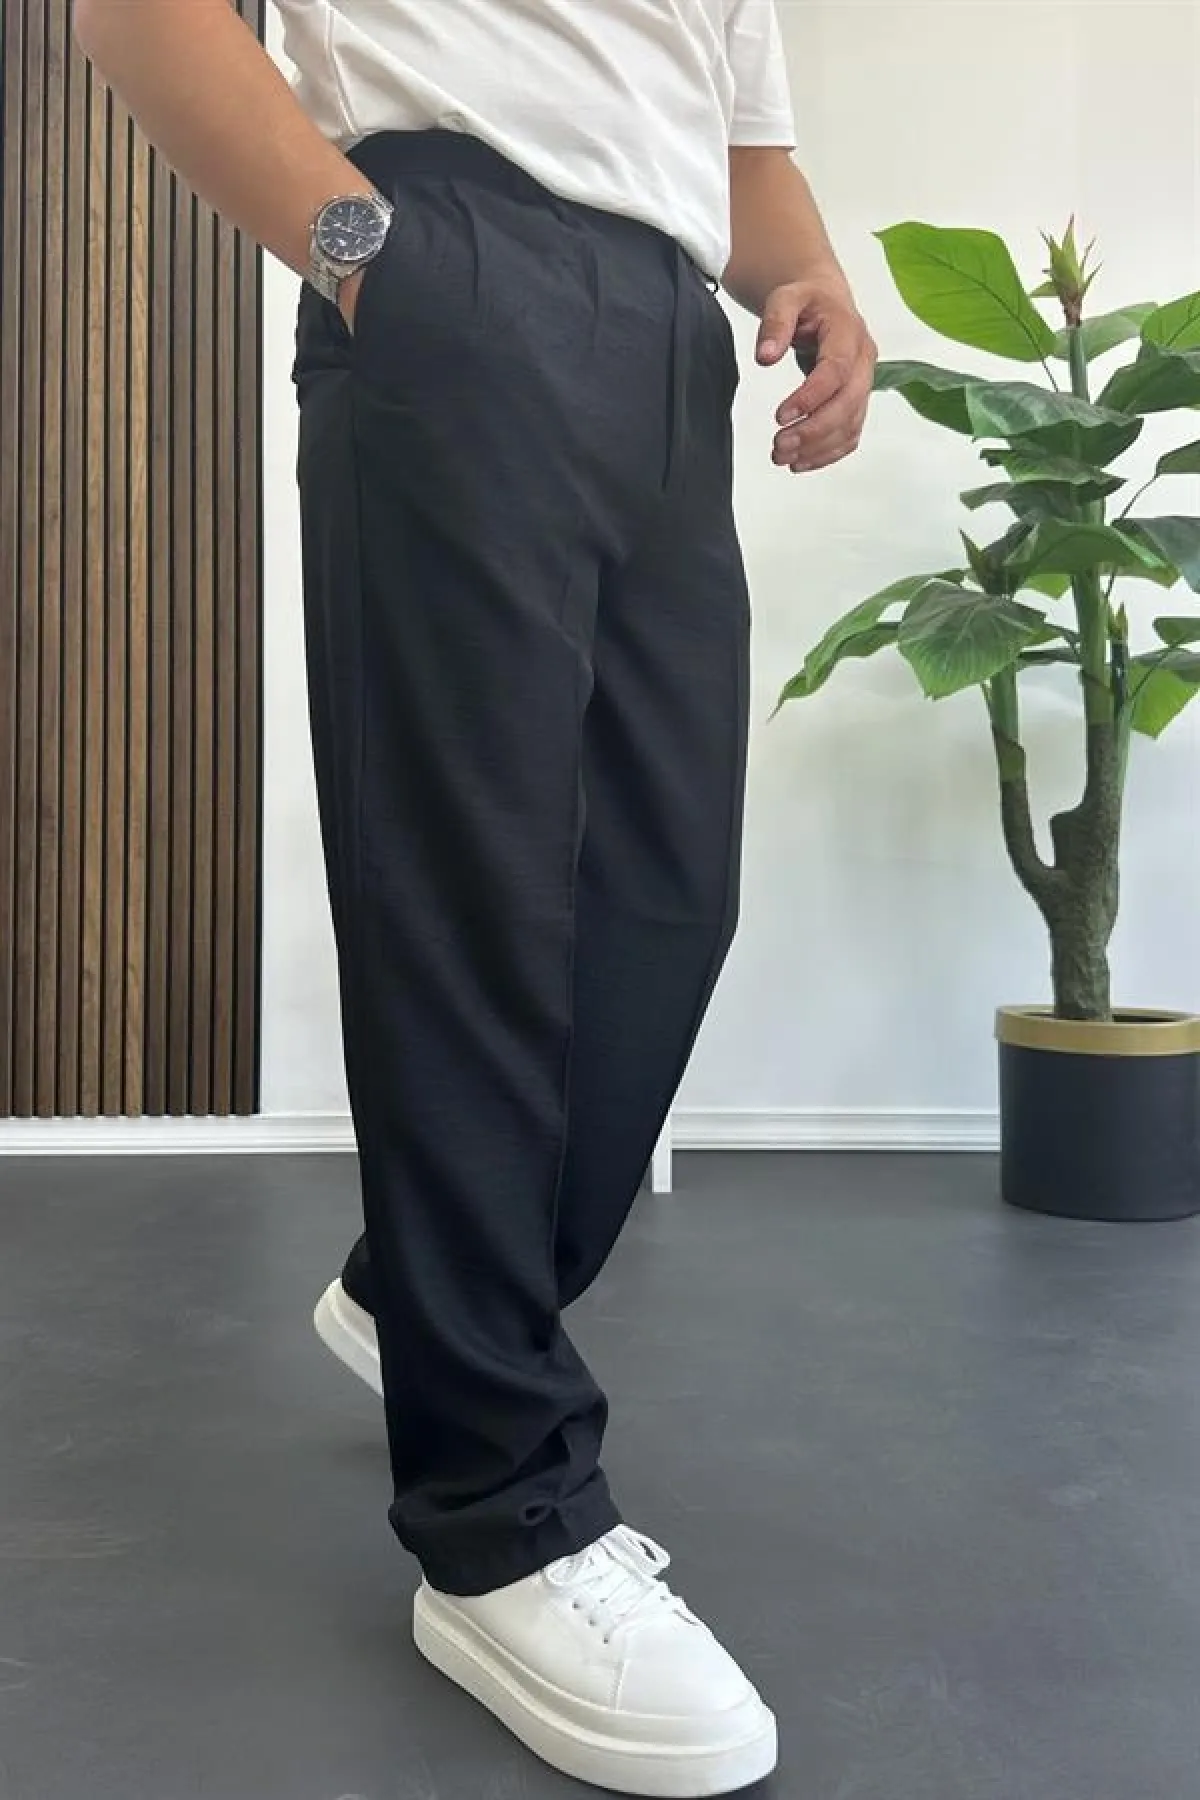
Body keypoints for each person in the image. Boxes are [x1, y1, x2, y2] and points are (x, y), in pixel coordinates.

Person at [74, 0, 875, 1791]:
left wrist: (810, 277)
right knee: (473, 902)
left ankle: (418, 1294)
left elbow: (735, 145)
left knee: (664, 901)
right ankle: (500, 1524)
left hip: (667, 334)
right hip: (449, 261)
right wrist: (377, 259)